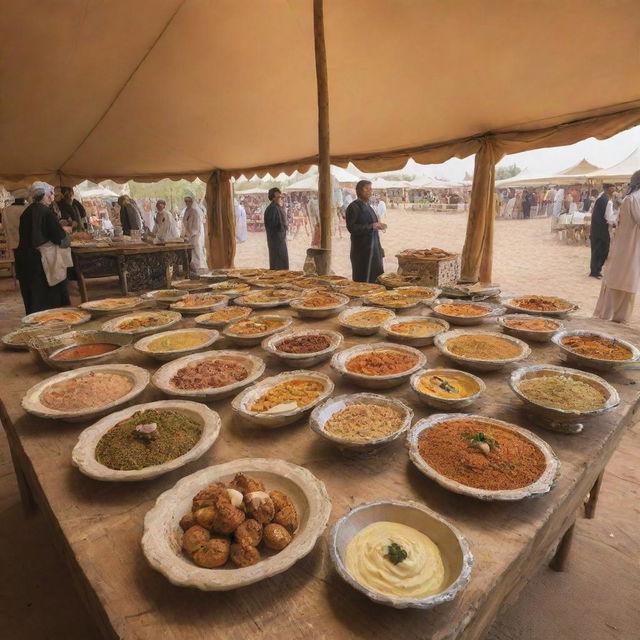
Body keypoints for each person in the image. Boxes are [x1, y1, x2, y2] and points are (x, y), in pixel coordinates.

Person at [14, 182, 71, 314]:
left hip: (26, 262)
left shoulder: (27, 212)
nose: (52, 197)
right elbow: (59, 238)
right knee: (47, 304)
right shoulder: (46, 212)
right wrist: (65, 231)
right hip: (41, 264)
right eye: (50, 194)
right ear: (43, 195)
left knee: (32, 303)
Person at [593, 171, 640, 323]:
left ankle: (615, 316)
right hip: (627, 247)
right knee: (620, 278)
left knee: (620, 279)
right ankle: (614, 316)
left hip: (627, 248)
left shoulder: (631, 199)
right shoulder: (631, 199)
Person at [346, 179, 386, 282]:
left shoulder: (369, 206)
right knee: (363, 283)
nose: (369, 191)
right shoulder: (353, 207)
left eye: (370, 189)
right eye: (366, 189)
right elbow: (352, 228)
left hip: (374, 251)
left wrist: (380, 248)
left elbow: (374, 230)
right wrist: (371, 226)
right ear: (358, 191)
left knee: (376, 280)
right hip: (362, 252)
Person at [589, 184, 616, 278]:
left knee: (596, 250)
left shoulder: (600, 197)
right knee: (603, 250)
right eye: (613, 189)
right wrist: (615, 223)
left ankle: (595, 271)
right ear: (609, 189)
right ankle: (596, 271)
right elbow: (609, 217)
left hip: (595, 228)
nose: (614, 191)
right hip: (602, 230)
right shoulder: (607, 201)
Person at [182, 193, 207, 275]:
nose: (187, 203)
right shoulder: (186, 211)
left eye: (189, 201)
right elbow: (184, 224)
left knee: (196, 253)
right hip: (188, 236)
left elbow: (196, 227)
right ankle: (192, 271)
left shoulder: (195, 212)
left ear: (192, 202)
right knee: (189, 254)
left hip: (194, 236)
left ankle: (198, 271)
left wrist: (190, 234)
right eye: (186, 201)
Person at [264, 188, 289, 269]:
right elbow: (273, 226)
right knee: (278, 265)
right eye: (278, 197)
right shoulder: (272, 209)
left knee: (281, 264)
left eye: (281, 197)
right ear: (273, 198)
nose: (280, 199)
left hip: (280, 240)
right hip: (276, 241)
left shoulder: (277, 207)